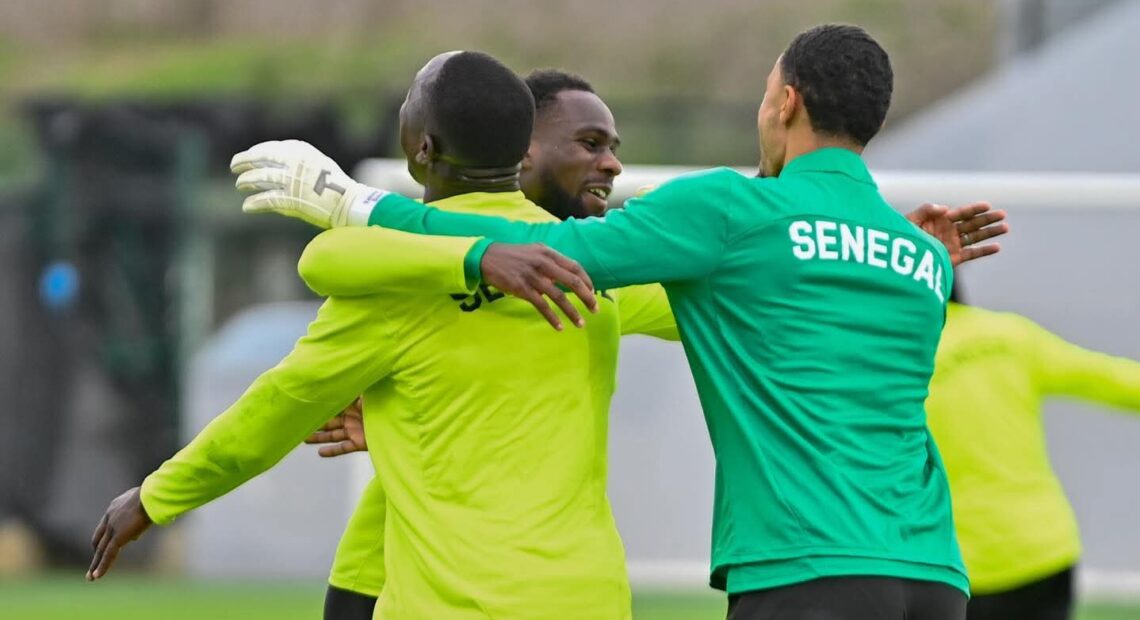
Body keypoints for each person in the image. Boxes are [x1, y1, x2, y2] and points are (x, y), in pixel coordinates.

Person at [233, 26, 1010, 620]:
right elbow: (818, 317)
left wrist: (356, 204)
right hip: (934, 572)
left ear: (786, 103)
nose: (606, 164)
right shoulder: (918, 258)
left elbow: (546, 250)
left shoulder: (728, 212)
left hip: (810, 567)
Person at [89, 52, 681, 620]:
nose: (609, 163)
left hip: (458, 604)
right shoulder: (596, 273)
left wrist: (155, 496)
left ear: (421, 147)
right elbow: (692, 306)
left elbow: (277, 410)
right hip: (589, 598)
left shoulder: (392, 281)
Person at [315, 68, 646, 620]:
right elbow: (323, 260)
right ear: (519, 152)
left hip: (537, 588)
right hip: (383, 577)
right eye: (589, 144)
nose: (611, 163)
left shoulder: (596, 281)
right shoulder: (413, 267)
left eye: (611, 148)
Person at [926, 279, 1140, 620]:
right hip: (1044, 549)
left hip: (964, 564)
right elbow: (1114, 379)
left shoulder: (897, 362)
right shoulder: (1011, 336)